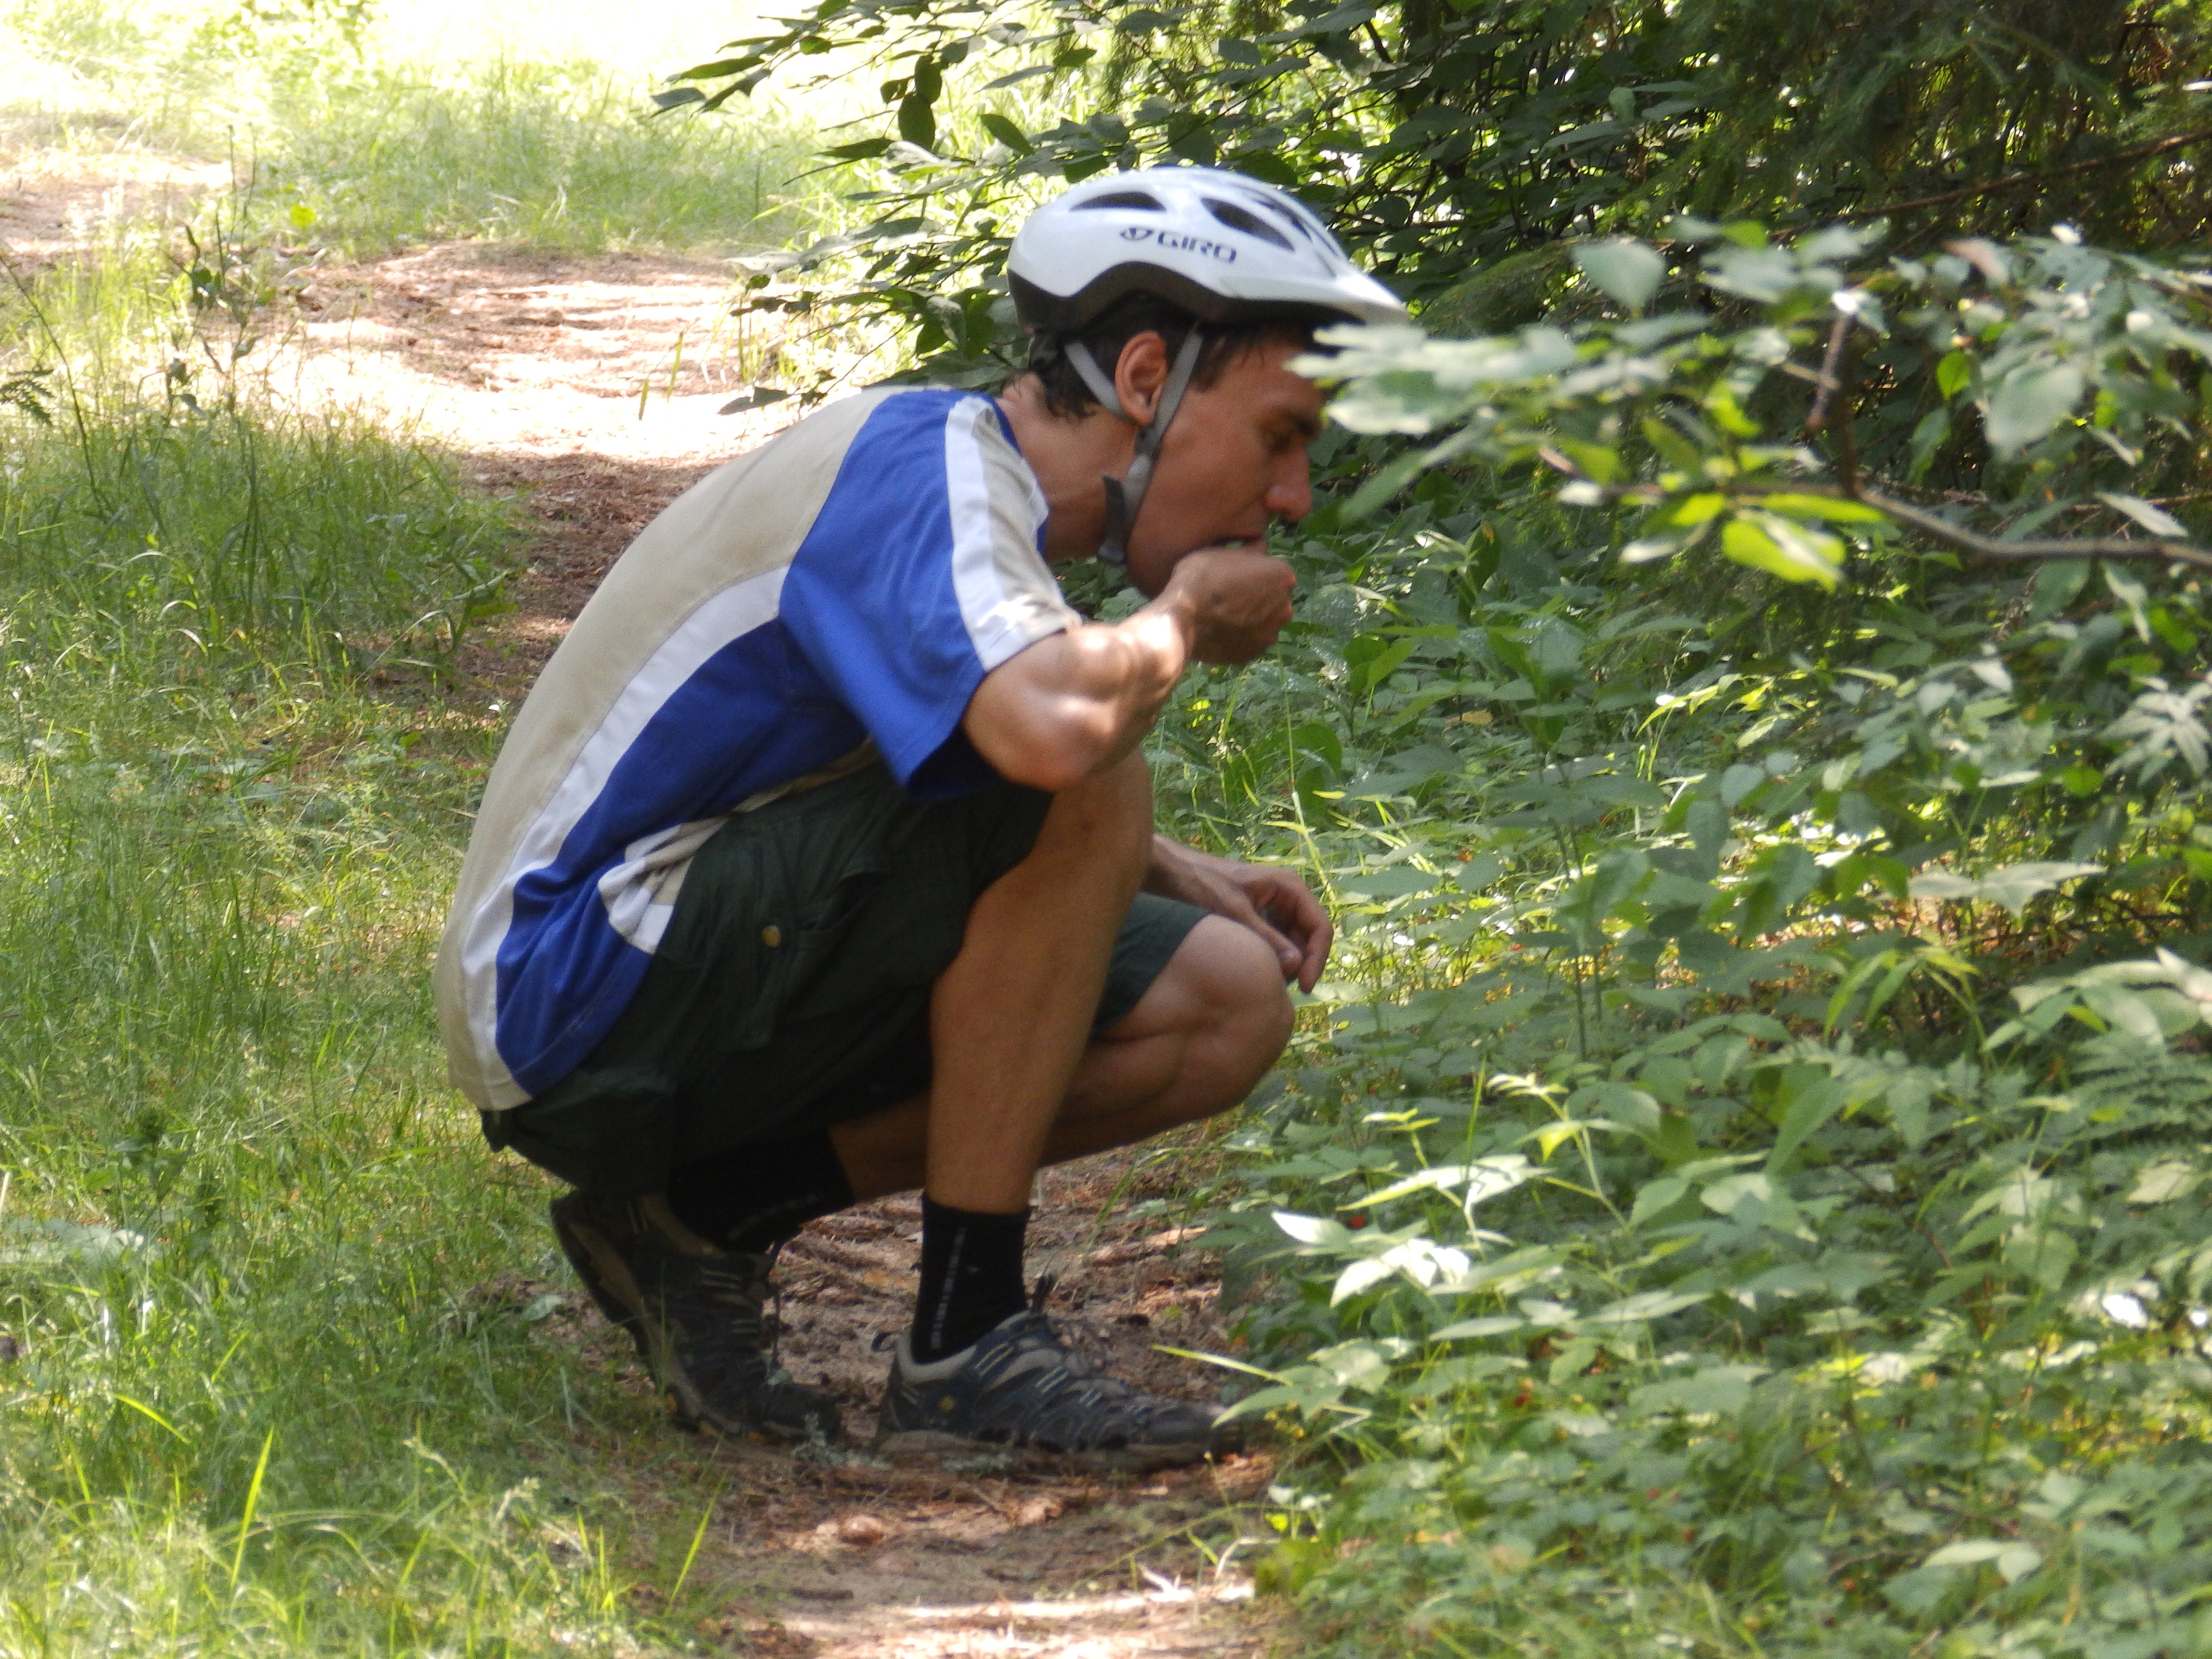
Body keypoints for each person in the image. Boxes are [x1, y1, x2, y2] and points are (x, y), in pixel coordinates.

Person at [432, 165, 1406, 1465]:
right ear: (1142, 378)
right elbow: (1049, 738)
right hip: (567, 987)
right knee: (1086, 762)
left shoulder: (971, 498)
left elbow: (913, 767)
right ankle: (966, 1344)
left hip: (651, 970)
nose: (1292, 497)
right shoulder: (920, 466)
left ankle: (701, 1216)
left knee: (1224, 999)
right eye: (1281, 436)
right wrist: (1180, 619)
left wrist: (1166, 868)